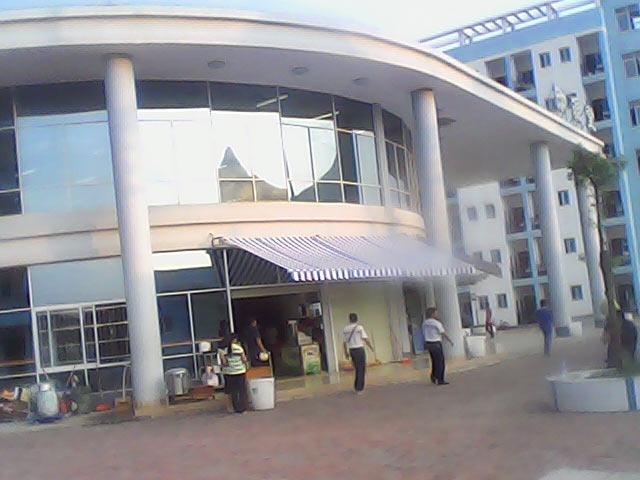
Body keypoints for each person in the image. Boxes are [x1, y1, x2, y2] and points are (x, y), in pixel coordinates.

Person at [343, 313, 374, 394]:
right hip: (359, 349)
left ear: (349, 319)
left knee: (357, 368)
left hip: (351, 350)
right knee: (361, 369)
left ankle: (357, 386)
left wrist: (346, 352)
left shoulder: (345, 329)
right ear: (356, 319)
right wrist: (371, 347)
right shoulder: (359, 328)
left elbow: (344, 342)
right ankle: (359, 388)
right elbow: (365, 338)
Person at [422, 307, 454, 386]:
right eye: (436, 313)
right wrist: (450, 340)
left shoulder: (425, 323)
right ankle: (440, 379)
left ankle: (433, 377)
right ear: (432, 314)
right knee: (440, 362)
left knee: (434, 361)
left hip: (428, 343)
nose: (437, 315)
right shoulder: (436, 323)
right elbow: (443, 332)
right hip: (436, 343)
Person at [219, 333, 248, 414]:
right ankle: (242, 408)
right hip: (240, 372)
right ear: (234, 340)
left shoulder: (223, 350)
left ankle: (235, 408)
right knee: (241, 391)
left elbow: (224, 363)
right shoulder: (239, 348)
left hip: (228, 373)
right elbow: (244, 360)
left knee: (233, 391)